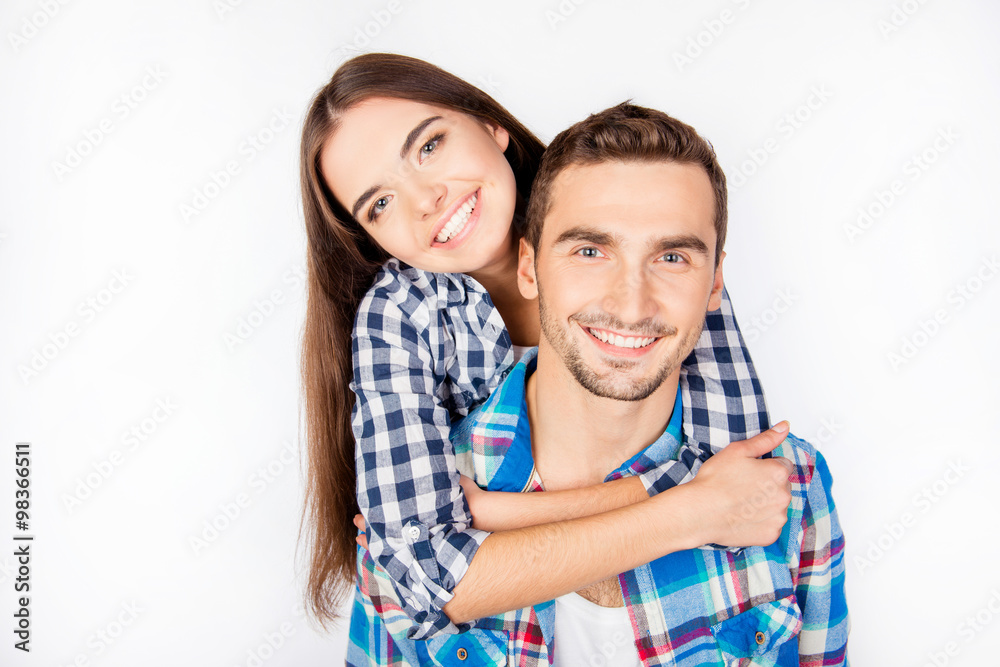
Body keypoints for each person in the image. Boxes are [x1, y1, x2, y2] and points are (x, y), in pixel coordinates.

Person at [299, 53, 787, 638]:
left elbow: (735, 468)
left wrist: (490, 515)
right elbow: (425, 576)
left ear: (491, 125)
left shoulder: (622, 211)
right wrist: (690, 510)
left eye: (429, 147)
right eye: (380, 204)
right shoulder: (398, 314)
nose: (425, 199)